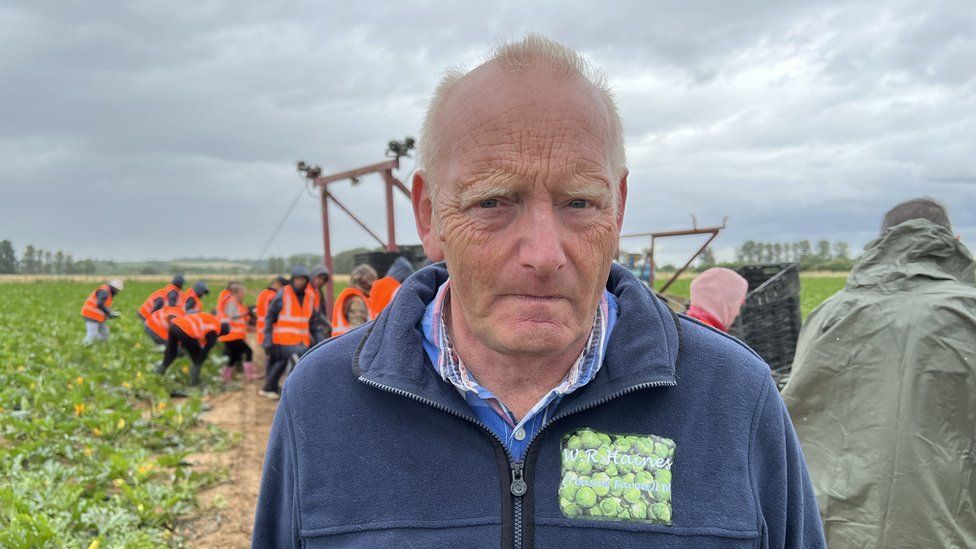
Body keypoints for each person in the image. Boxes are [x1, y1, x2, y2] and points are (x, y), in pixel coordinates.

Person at [254, 34, 825, 547]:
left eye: (580, 202)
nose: (545, 254)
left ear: (619, 207)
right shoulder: (323, 402)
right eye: (494, 202)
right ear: (430, 217)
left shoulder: (734, 398)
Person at [782, 197, 976, 548]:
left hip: (834, 531)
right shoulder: (967, 310)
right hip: (945, 533)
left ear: (881, 242)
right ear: (953, 241)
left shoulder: (829, 313)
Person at [260, 266, 317, 399]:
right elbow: (270, 316)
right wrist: (267, 338)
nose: (300, 282)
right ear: (292, 280)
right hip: (285, 339)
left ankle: (269, 388)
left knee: (282, 363)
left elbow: (313, 319)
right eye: (297, 279)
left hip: (302, 340)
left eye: (303, 280)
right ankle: (291, 394)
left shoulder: (309, 297)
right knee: (297, 364)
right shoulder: (283, 294)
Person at [155, 311, 229, 386]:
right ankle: (194, 384)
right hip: (186, 332)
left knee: (170, 355)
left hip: (174, 326)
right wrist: (199, 358)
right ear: (222, 333)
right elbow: (205, 350)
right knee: (198, 359)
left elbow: (196, 329)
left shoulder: (209, 318)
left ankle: (156, 379)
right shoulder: (214, 331)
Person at [684, 267, 748, 333]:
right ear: (723, 303)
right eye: (737, 304)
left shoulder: (684, 325)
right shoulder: (710, 337)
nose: (737, 313)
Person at [216, 282, 254, 382]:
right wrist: (246, 313)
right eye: (242, 292)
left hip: (234, 336)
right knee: (248, 352)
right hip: (232, 335)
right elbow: (230, 316)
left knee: (233, 357)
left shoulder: (237, 303)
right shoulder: (231, 302)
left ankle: (226, 377)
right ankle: (249, 376)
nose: (243, 294)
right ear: (236, 293)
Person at [330, 263, 376, 336]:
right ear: (366, 283)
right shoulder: (357, 301)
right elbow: (357, 332)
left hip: (342, 344)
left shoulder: (351, 297)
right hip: (351, 345)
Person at [81, 279, 123, 344]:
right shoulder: (104, 292)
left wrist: (110, 314)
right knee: (92, 335)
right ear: (113, 288)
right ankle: (84, 347)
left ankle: (101, 347)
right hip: (90, 315)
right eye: (117, 290)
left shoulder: (107, 291)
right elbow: (99, 304)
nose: (117, 292)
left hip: (97, 317)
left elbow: (104, 306)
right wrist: (109, 313)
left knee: (105, 333)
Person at [309, 264, 333, 344]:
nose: (320, 281)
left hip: (314, 324)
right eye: (318, 278)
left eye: (323, 280)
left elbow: (320, 312)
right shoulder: (305, 290)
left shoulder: (318, 292)